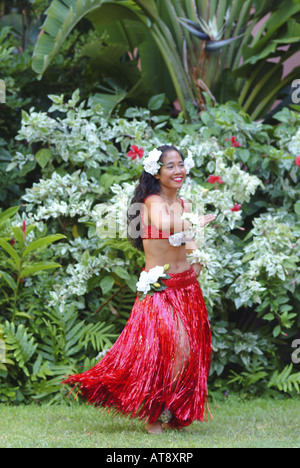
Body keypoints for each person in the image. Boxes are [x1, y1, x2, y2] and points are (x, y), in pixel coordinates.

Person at [63, 145, 216, 434]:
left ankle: (169, 409)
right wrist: (196, 222)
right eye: (170, 166)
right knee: (173, 349)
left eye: (181, 164)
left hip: (187, 289)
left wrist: (198, 261)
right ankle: (154, 411)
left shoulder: (185, 206)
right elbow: (165, 224)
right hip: (159, 289)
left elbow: (191, 242)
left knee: (188, 353)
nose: (178, 171)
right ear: (156, 171)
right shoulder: (152, 203)